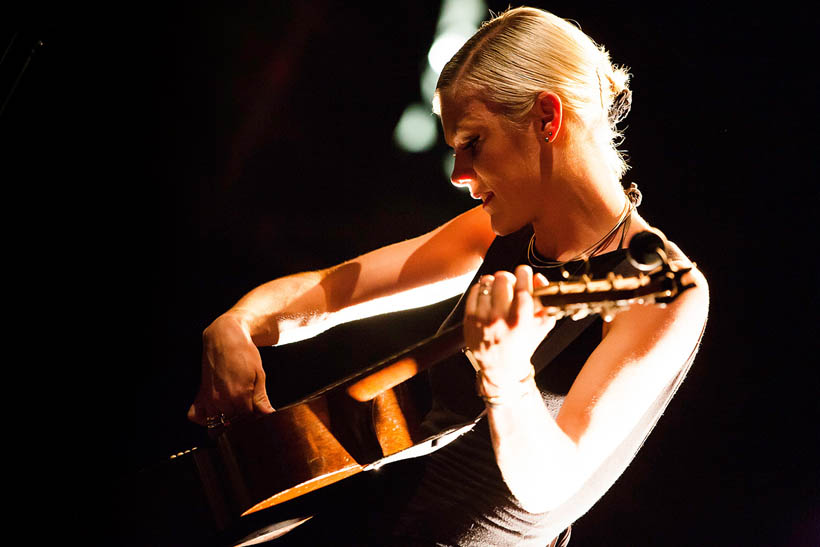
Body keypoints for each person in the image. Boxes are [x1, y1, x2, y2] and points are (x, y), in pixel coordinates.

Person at [188, 7, 709, 546]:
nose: (459, 175)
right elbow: (334, 289)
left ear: (547, 118)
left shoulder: (670, 290)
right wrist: (238, 323)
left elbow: (549, 484)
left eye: (473, 142)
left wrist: (507, 377)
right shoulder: (497, 232)